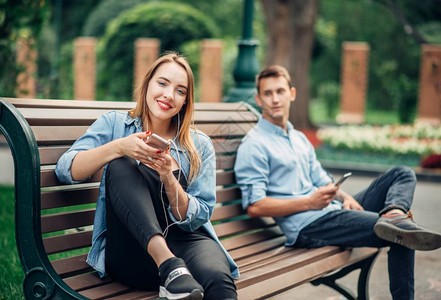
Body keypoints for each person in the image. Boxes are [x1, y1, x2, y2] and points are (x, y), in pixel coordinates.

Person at [234, 65, 441, 300]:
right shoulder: (255, 145)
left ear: (291, 94)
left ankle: (394, 212)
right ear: (258, 99)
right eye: (268, 93)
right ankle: (395, 222)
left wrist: (346, 197)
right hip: (308, 226)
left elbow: (320, 178)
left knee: (401, 173)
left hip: (328, 211)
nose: (275, 99)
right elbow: (255, 206)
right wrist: (309, 203)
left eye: (280, 91)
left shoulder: (298, 138)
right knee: (401, 234)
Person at [56, 52, 239, 300]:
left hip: (186, 241)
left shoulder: (199, 145)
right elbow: (66, 169)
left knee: (219, 281)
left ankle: (175, 276)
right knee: (121, 164)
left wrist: (169, 178)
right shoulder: (115, 125)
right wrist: (118, 147)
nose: (168, 95)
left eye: (180, 91)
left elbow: (200, 214)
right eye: (162, 83)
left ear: (185, 100)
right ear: (147, 84)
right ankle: (169, 267)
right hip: (134, 251)